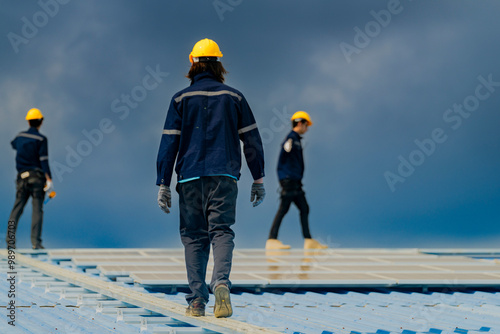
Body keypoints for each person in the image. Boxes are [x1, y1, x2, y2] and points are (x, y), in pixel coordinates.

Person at [156, 38, 265, 318]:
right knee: (222, 230)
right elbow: (250, 140)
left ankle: (196, 301)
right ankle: (221, 283)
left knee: (193, 237)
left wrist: (163, 184)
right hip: (224, 176)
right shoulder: (235, 97)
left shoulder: (180, 99)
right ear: (220, 65)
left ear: (192, 63)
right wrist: (258, 178)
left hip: (189, 177)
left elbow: (169, 144)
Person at [266, 111, 327, 250]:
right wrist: (285, 179)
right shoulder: (291, 139)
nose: (307, 128)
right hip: (289, 181)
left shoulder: (297, 140)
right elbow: (283, 158)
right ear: (300, 123)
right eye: (306, 125)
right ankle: (271, 240)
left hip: (295, 182)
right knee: (284, 209)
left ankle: (308, 240)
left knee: (303, 208)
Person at [6, 108, 54, 250]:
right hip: (37, 178)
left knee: (17, 209)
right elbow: (44, 160)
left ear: (28, 121)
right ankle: (36, 243)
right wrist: (49, 179)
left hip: (22, 178)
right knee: (37, 209)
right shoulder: (41, 139)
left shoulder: (20, 136)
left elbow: (13, 144)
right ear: (40, 122)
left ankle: (10, 241)